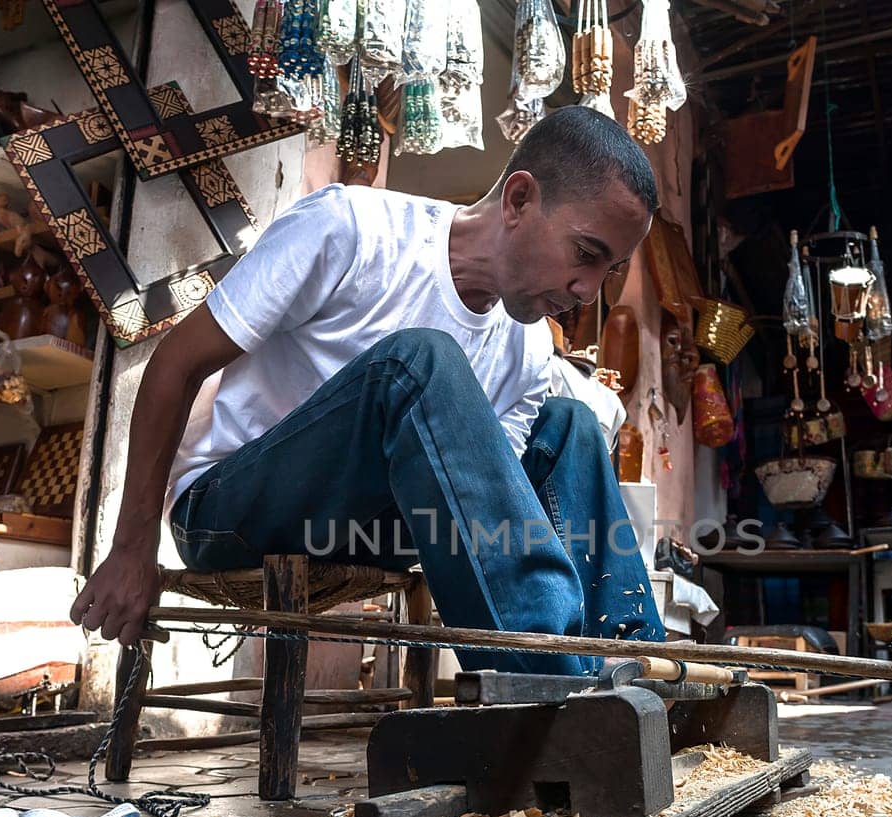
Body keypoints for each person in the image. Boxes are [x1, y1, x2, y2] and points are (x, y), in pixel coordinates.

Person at [69, 108, 666, 675]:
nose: (589, 290)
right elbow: (175, 364)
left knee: (572, 425)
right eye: (586, 255)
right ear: (518, 200)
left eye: (608, 271)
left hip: (370, 532)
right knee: (419, 362)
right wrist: (131, 548)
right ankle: (547, 680)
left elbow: (481, 513)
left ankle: (635, 664)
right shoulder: (351, 228)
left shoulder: (529, 349)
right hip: (232, 513)